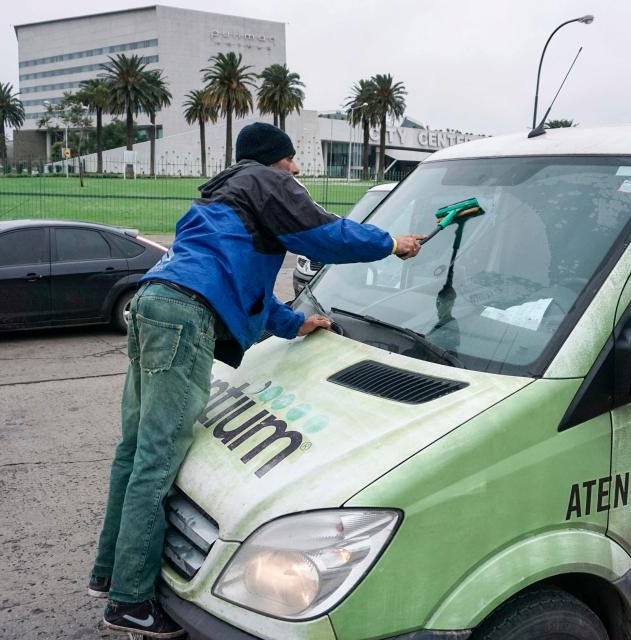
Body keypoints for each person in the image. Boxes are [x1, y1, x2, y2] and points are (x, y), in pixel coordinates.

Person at [89, 122, 424, 638]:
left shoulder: (228, 196)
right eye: (292, 160)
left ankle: (111, 573)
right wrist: (390, 243)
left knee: (133, 451)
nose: (297, 170)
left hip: (154, 304)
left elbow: (246, 291)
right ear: (274, 159)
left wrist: (297, 323)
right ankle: (130, 602)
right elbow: (326, 234)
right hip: (183, 317)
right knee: (158, 459)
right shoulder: (269, 181)